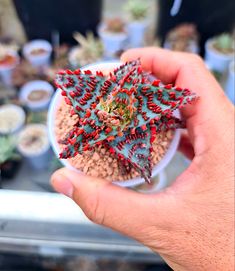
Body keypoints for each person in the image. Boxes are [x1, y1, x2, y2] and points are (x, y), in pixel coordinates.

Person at [51, 48, 234, 271]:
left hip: (130, 122)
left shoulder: (139, 107)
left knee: (155, 134)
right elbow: (72, 94)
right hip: (105, 116)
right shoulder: (99, 108)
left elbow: (164, 99)